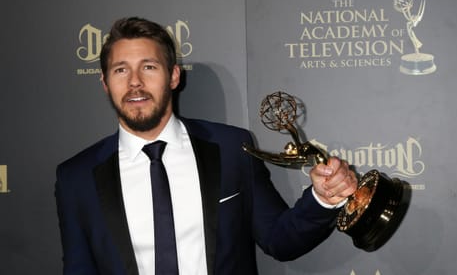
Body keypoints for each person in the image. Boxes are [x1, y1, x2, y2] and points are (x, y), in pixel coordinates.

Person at [55, 17, 358, 275]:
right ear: (105, 83)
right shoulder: (76, 177)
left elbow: (280, 240)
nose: (135, 82)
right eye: (121, 70)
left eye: (149, 67)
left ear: (173, 75)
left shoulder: (230, 148)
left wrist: (323, 198)